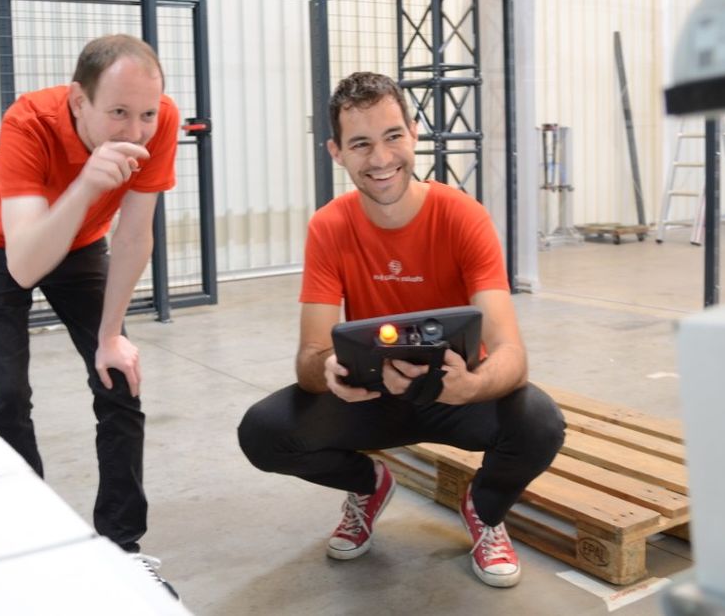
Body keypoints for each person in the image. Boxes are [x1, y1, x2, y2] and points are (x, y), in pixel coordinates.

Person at [237, 71, 565, 588]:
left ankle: (484, 509)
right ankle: (368, 486)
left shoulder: (463, 217)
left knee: (540, 422)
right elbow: (309, 355)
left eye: (393, 136)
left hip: (458, 391)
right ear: (336, 152)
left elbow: (511, 352)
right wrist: (327, 370)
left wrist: (475, 386)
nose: (382, 158)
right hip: (372, 395)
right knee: (264, 432)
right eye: (361, 144)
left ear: (414, 132)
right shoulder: (330, 225)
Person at [0, 33, 179, 597]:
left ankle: (122, 547)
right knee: (8, 396)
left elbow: (134, 234)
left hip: (83, 245)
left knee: (118, 380)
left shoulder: (162, 120)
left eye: (146, 114)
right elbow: (26, 264)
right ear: (79, 102)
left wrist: (111, 335)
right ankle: (29, 538)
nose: (135, 132)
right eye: (118, 114)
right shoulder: (29, 121)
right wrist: (86, 183)